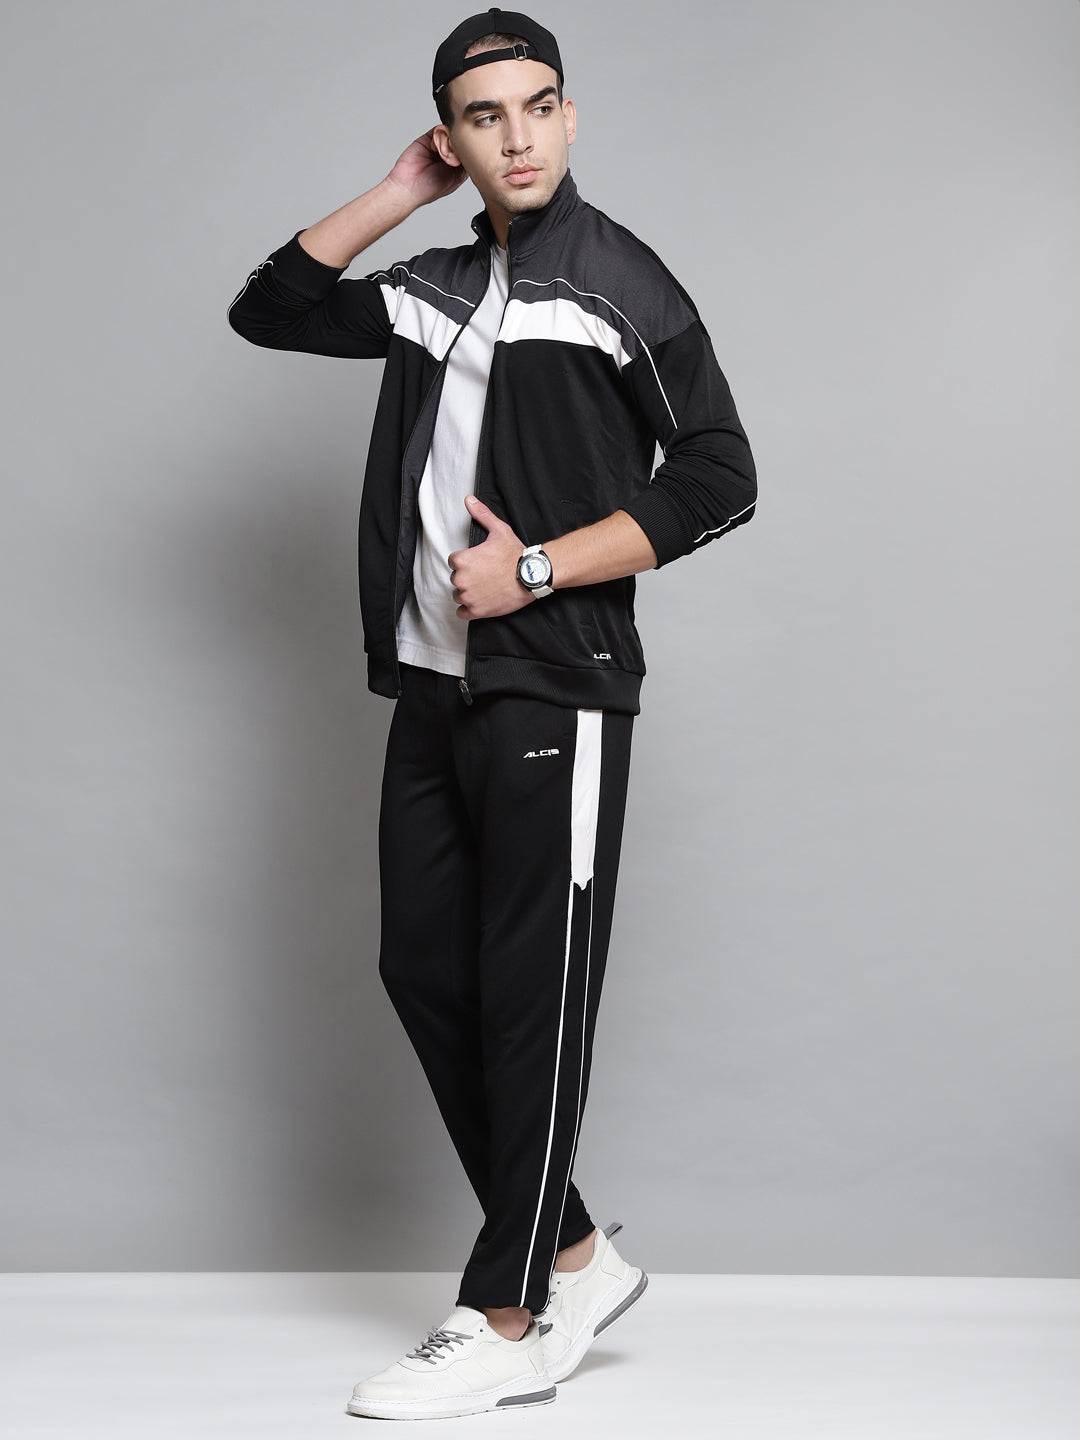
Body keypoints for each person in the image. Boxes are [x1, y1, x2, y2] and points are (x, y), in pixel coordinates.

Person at [228, 6, 756, 1421]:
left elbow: (722, 473)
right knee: (424, 971)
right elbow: (272, 307)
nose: (516, 137)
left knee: (535, 999)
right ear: (454, 138)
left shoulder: (618, 280)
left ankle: (509, 1313)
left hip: (558, 684)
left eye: (536, 107)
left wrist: (535, 569)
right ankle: (573, 1252)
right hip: (432, 682)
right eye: (483, 118)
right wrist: (399, 194)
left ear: (569, 116)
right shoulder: (437, 286)